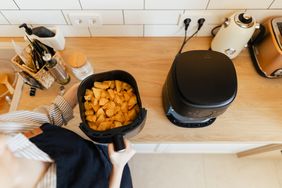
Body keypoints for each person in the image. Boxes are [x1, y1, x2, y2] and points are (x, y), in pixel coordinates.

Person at [0, 83, 136, 188]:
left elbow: (47, 118)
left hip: (99, 152)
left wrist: (77, 91)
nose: (3, 138)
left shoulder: (3, 128)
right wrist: (118, 166)